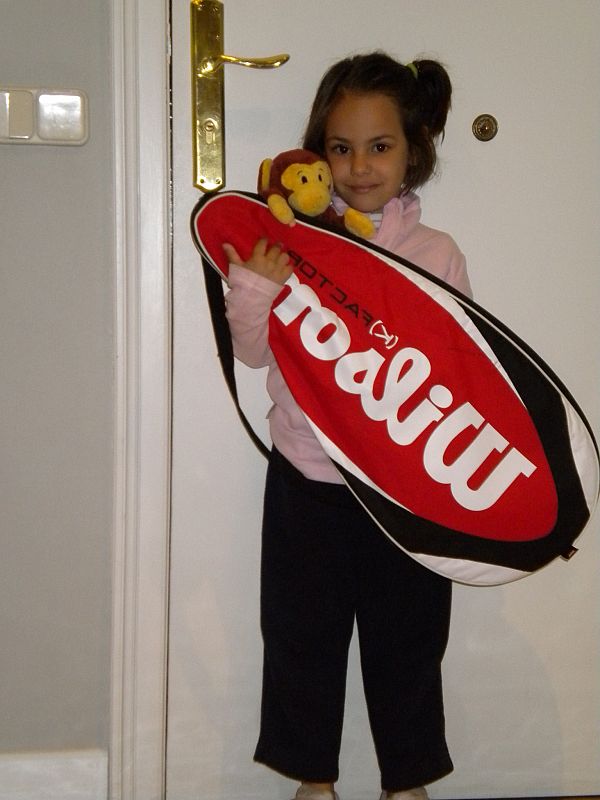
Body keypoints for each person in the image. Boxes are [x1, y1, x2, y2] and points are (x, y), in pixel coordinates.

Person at [222, 51, 472, 800]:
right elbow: (255, 351)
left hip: (404, 493)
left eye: (381, 145)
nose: (360, 166)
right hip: (307, 476)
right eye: (341, 147)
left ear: (414, 149)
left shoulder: (438, 255)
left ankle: (409, 781)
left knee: (408, 644)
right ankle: (313, 780)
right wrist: (255, 288)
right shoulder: (296, 245)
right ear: (316, 154)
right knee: (301, 640)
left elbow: (462, 377)